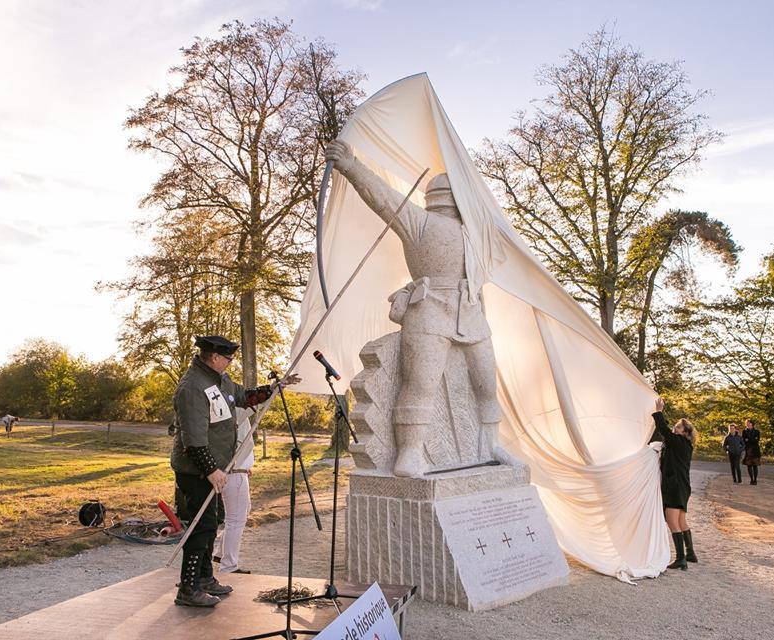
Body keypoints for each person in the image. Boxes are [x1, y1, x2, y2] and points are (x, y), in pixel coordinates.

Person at [325, 140, 517, 477]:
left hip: (470, 312)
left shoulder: (476, 232)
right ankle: (410, 452)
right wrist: (351, 166)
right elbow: (382, 197)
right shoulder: (421, 222)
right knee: (420, 384)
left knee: (487, 384)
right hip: (428, 310)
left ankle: (490, 446)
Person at [170, 335, 299, 607]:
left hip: (212, 466)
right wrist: (211, 470)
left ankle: (205, 579)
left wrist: (275, 387)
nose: (231, 362)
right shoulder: (193, 387)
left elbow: (245, 396)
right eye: (228, 358)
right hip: (196, 470)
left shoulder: (220, 380)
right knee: (200, 527)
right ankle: (188, 588)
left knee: (211, 523)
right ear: (214, 357)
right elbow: (193, 439)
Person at [652, 397, 698, 570]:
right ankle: (690, 553)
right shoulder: (684, 444)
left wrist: (658, 411)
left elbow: (663, 429)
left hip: (675, 486)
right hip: (683, 486)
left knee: (672, 521)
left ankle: (680, 558)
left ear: (686, 432)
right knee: (681, 520)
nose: (674, 428)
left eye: (678, 427)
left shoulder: (679, 442)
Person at [213, 407, 256, 574]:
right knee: (235, 520)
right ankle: (228, 565)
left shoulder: (231, 409)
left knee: (242, 512)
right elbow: (251, 407)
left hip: (239, 471)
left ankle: (219, 553)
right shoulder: (232, 409)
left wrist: (246, 466)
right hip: (234, 473)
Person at [742, 418, 762, 485]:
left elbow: (757, 440)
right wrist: (751, 439)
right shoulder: (744, 431)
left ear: (752, 424)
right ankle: (751, 479)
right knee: (749, 465)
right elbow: (744, 440)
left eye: (748, 423)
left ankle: (755, 480)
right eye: (746, 423)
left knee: (755, 466)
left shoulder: (757, 432)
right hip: (748, 450)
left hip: (755, 450)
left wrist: (749, 440)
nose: (747, 424)